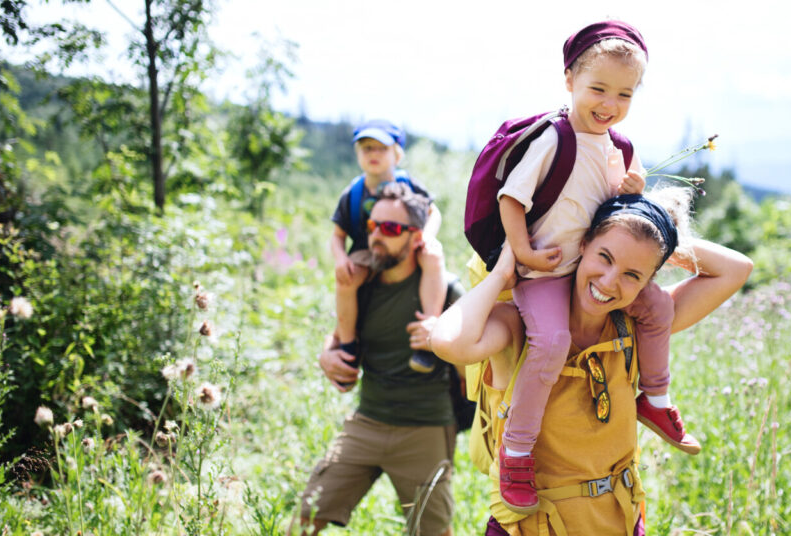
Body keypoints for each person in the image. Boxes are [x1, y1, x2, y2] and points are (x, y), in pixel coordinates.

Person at [430, 191, 753, 535]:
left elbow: (735, 269)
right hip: (535, 527)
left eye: (633, 274)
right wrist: (500, 276)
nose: (609, 281)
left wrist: (652, 235)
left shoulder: (634, 328)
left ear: (647, 282)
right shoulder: (520, 325)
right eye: (605, 256)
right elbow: (449, 342)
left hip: (620, 522)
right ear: (581, 244)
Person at [489, 20, 698, 513]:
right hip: (546, 271)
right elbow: (511, 199)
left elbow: (627, 194)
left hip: (590, 267)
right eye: (598, 89)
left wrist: (632, 185)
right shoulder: (553, 139)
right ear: (569, 81)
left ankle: (656, 398)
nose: (610, 103)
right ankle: (516, 451)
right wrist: (522, 254)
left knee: (657, 309)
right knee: (552, 342)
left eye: (624, 94)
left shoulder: (617, 146)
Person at [300, 183, 462, 536]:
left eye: (390, 229)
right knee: (305, 518)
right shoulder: (362, 282)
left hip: (426, 427)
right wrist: (326, 355)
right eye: (373, 227)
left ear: (416, 237)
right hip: (368, 421)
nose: (376, 237)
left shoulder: (445, 290)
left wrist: (443, 339)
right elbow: (343, 332)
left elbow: (472, 362)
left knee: (434, 532)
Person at [331, 119, 446, 375]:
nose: (373, 154)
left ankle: (427, 333)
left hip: (408, 245)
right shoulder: (352, 193)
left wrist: (426, 236)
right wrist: (340, 259)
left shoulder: (410, 185)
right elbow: (337, 235)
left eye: (381, 148)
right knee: (346, 281)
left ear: (397, 154)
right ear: (357, 153)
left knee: (433, 257)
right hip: (367, 250)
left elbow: (433, 212)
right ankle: (348, 345)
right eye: (366, 148)